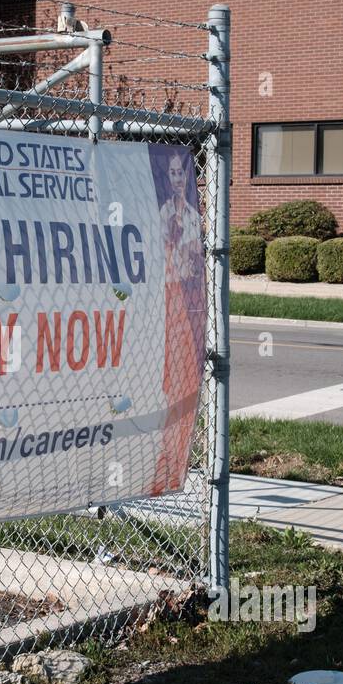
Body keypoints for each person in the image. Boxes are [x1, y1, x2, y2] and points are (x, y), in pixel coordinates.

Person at [151, 149, 205, 496]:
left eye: (181, 173)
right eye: (172, 173)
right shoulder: (164, 214)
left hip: (190, 302)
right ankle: (162, 456)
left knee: (186, 379)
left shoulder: (194, 219)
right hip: (169, 301)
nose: (177, 178)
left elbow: (194, 261)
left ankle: (177, 453)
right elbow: (164, 256)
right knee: (166, 379)